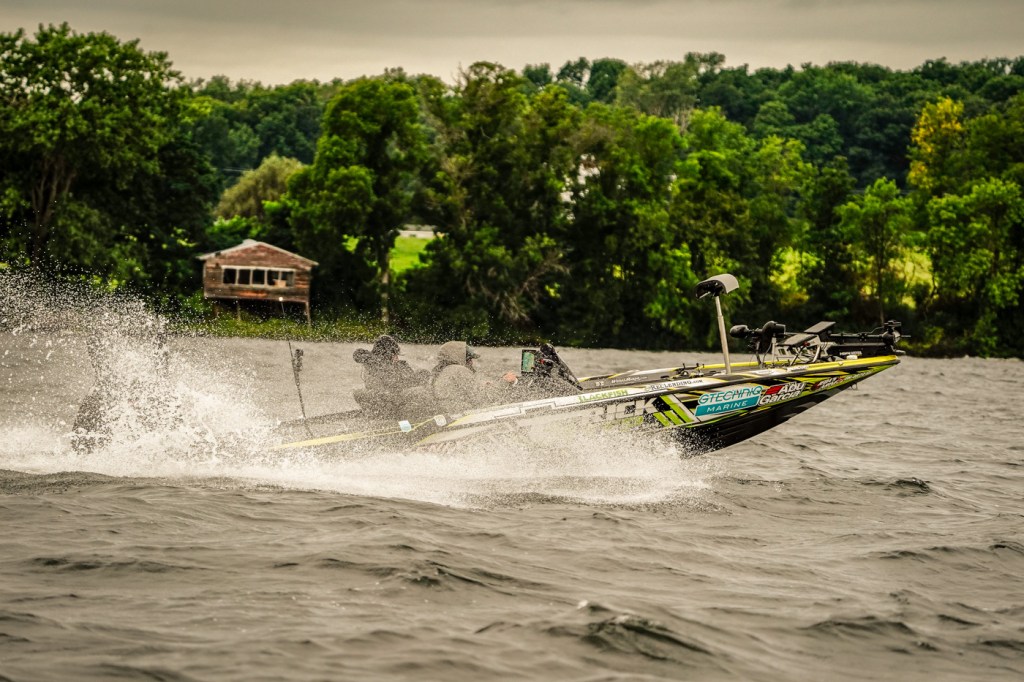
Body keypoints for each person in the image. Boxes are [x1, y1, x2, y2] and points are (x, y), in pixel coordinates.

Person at [352, 335, 429, 418]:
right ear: (390, 352)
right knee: (421, 386)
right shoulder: (383, 366)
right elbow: (398, 386)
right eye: (395, 353)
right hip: (392, 402)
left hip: (383, 401)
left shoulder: (371, 362)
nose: (396, 356)